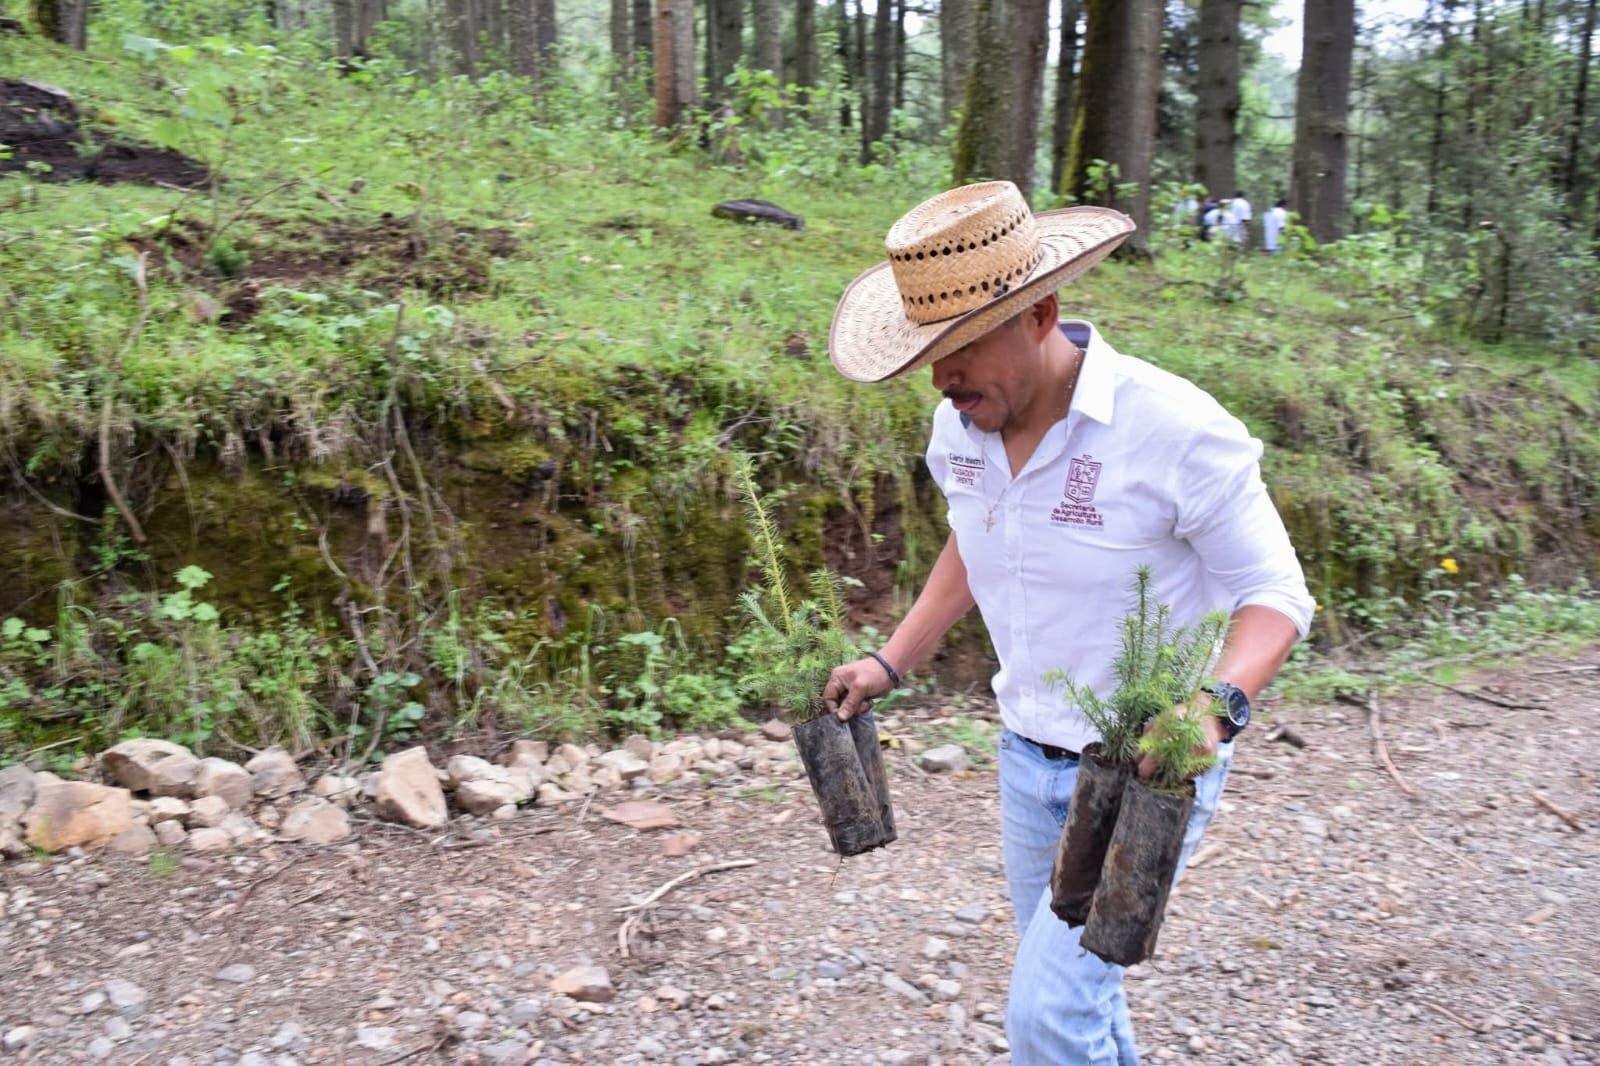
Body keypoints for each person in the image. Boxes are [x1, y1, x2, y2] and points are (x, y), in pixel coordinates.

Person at [822, 182, 1314, 1065]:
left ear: (1041, 313)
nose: (942, 377)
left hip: (1147, 773)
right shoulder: (960, 427)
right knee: (1081, 999)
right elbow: (973, 542)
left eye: (963, 346)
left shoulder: (1174, 429)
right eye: (929, 355)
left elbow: (1277, 593)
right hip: (1025, 758)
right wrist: (890, 661)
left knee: (1047, 1016)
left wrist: (1210, 710)